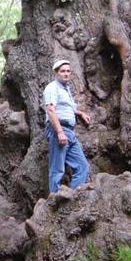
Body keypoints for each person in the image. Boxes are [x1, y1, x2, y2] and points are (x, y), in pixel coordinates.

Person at [43, 59, 91, 194]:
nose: (66, 74)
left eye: (68, 71)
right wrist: (59, 132)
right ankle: (54, 200)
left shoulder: (66, 89)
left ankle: (73, 198)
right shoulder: (52, 87)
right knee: (57, 168)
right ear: (56, 73)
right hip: (59, 129)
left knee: (82, 166)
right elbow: (51, 109)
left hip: (69, 132)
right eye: (63, 71)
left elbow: (65, 107)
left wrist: (80, 113)